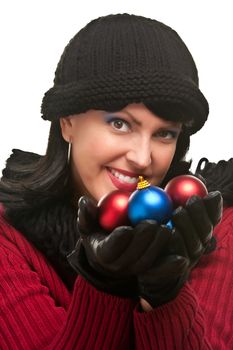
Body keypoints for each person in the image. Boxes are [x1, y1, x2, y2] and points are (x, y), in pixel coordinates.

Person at [0, 13, 228, 349]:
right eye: (120, 124)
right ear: (67, 123)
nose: (142, 157)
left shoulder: (216, 227)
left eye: (164, 133)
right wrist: (104, 285)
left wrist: (165, 298)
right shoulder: (9, 238)